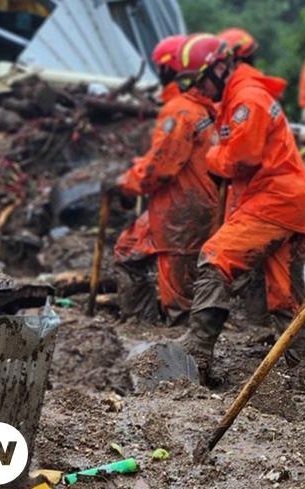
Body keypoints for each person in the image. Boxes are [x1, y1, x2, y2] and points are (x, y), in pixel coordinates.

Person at [175, 35, 305, 386]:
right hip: (283, 201)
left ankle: (197, 356)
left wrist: (212, 158)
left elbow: (241, 157)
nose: (203, 91)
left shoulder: (247, 99)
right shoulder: (240, 95)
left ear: (220, 68)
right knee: (284, 294)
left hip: (273, 201)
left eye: (203, 81)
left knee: (215, 256)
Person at [111, 34, 221, 325]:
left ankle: (169, 335)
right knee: (128, 251)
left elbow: (159, 169)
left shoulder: (181, 110)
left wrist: (125, 184)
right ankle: (140, 325)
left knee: (180, 296)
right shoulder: (201, 109)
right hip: (188, 204)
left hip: (180, 211)